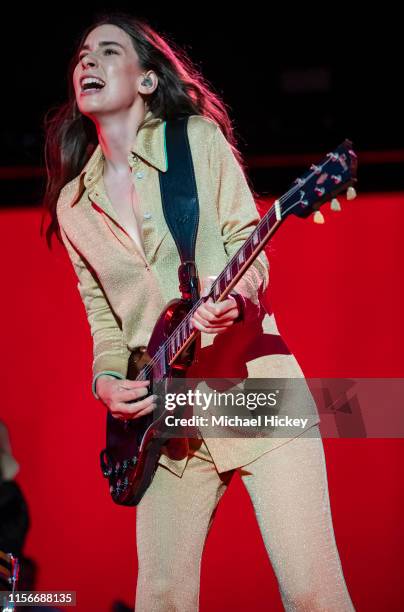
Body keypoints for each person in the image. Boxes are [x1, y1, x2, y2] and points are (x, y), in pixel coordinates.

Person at [41, 12, 356, 611]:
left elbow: (250, 248)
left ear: (146, 80)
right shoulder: (74, 206)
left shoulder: (197, 141)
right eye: (82, 54)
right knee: (160, 599)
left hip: (255, 387)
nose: (87, 61)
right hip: (169, 415)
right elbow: (103, 319)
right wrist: (106, 381)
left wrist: (233, 299)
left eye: (108, 52)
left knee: (315, 595)